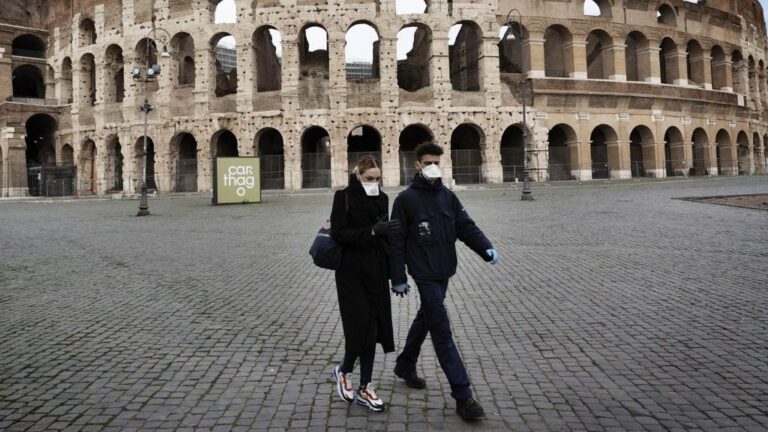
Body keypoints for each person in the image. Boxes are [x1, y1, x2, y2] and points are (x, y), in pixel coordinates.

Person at [388, 142, 499, 421]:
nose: (433, 166)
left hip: (445, 269)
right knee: (441, 329)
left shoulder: (447, 196)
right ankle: (463, 396)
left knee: (428, 315)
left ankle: (405, 363)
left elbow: (465, 226)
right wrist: (398, 277)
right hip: (423, 273)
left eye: (436, 161)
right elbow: (397, 242)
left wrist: (485, 248)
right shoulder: (405, 200)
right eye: (427, 162)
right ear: (417, 165)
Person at [330, 155, 401, 412]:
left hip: (377, 272)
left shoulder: (383, 199)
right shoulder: (343, 197)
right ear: (358, 175)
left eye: (378, 178)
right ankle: (345, 370)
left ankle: (365, 387)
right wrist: (372, 231)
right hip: (350, 273)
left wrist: (397, 275)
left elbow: (389, 241)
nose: (374, 182)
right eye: (369, 178)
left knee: (373, 329)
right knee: (359, 328)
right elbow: (339, 234)